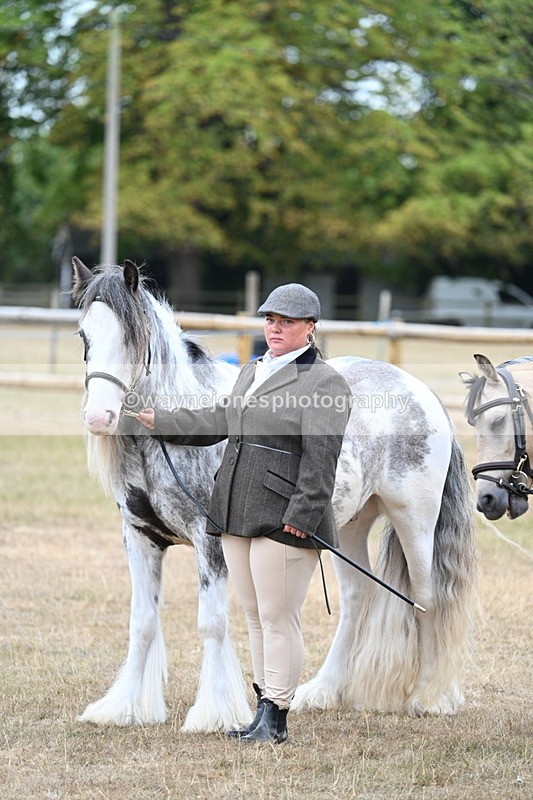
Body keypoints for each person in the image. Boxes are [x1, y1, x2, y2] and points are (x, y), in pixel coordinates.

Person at [137, 283, 352, 743]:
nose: (275, 328)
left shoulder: (324, 382)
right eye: (270, 320)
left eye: (287, 322)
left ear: (310, 328)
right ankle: (261, 711)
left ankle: (277, 719)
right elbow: (219, 419)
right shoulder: (253, 369)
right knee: (255, 616)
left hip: (286, 517)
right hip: (235, 509)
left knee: (279, 618)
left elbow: (321, 461)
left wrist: (304, 515)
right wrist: (163, 420)